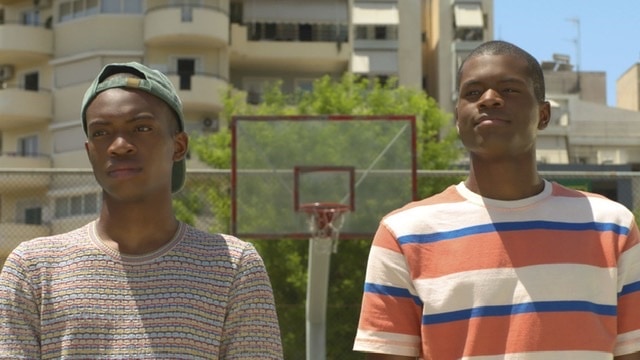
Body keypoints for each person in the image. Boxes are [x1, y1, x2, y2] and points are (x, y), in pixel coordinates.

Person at [353, 40, 640, 359]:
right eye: (473, 93)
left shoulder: (612, 226)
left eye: (509, 89)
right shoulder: (404, 234)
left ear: (543, 115)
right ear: (458, 117)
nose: (489, 99)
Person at [0, 62, 283, 359]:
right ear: (89, 153)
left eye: (142, 128)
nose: (119, 145)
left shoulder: (233, 266)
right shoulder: (33, 269)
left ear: (178, 146)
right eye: (101, 133)